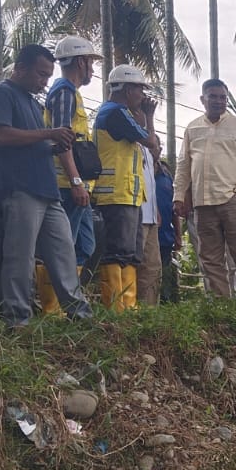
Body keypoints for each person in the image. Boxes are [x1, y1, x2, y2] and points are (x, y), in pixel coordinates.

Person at [0, 43, 91, 328]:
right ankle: (17, 320)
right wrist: (48, 133)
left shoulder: (34, 103)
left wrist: (54, 143)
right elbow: (2, 136)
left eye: (48, 76)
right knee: (20, 257)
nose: (44, 82)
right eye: (40, 75)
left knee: (64, 252)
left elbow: (36, 139)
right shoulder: (1, 94)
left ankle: (80, 315)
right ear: (20, 69)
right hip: (19, 188)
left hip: (48, 191)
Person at [173, 78, 236, 298]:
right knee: (210, 258)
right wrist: (178, 196)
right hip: (203, 204)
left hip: (231, 200)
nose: (218, 101)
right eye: (213, 96)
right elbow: (184, 165)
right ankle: (221, 307)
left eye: (223, 97)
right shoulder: (193, 128)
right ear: (203, 99)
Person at [35, 35, 103, 314]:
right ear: (81, 61)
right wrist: (76, 181)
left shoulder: (71, 92)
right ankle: (52, 310)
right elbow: (62, 139)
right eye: (90, 63)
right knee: (62, 246)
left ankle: (67, 304)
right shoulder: (64, 91)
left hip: (79, 184)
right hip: (66, 183)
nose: (92, 69)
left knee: (84, 244)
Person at [92, 64, 159, 309]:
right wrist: (149, 117)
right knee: (118, 252)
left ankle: (127, 307)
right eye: (140, 90)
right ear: (128, 89)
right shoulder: (114, 113)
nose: (142, 96)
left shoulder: (120, 113)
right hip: (116, 193)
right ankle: (117, 309)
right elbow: (150, 141)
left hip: (127, 193)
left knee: (130, 253)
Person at [135, 109, 164, 307]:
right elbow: (151, 142)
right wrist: (149, 119)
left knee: (152, 269)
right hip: (134, 212)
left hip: (150, 215)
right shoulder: (129, 135)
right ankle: (128, 312)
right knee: (132, 266)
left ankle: (149, 314)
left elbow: (153, 149)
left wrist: (156, 211)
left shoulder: (147, 146)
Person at [154, 159, 181, 302]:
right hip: (147, 235)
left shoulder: (167, 178)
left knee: (165, 273)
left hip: (165, 237)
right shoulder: (143, 173)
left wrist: (178, 234)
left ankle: (166, 301)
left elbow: (174, 210)